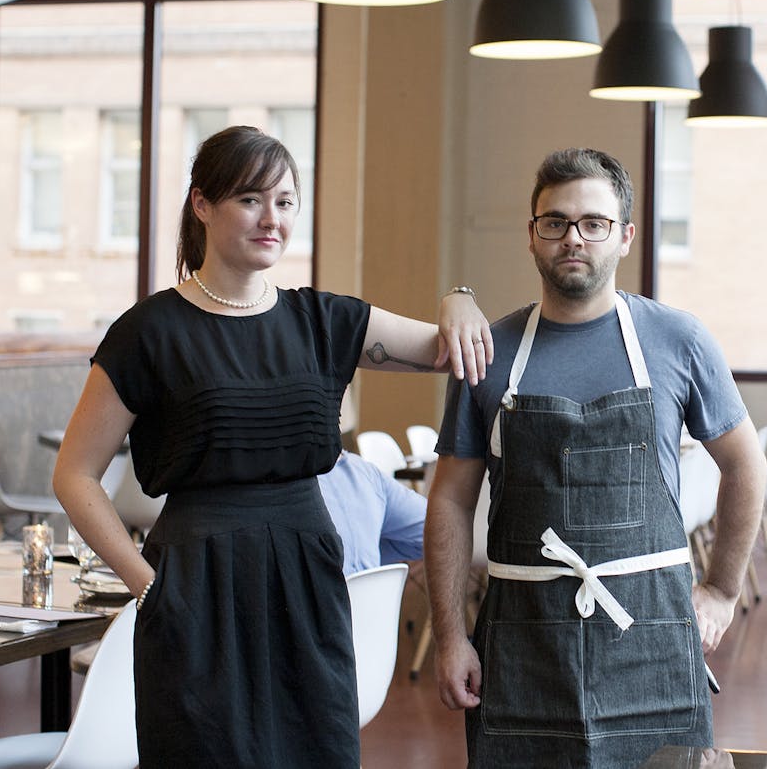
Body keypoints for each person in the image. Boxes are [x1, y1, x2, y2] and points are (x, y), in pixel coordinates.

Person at [51, 125, 493, 767]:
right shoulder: (149, 332)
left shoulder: (323, 320)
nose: (272, 219)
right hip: (194, 580)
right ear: (202, 204)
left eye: (285, 202)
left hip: (306, 577)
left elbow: (451, 348)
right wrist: (146, 584)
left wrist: (460, 298)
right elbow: (75, 474)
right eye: (251, 200)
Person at [424, 148, 766, 768]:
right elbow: (449, 499)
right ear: (532, 236)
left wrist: (720, 589)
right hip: (522, 642)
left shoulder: (677, 340)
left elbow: (746, 465)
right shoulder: (488, 352)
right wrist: (449, 635)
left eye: (593, 223)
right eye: (554, 222)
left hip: (653, 639)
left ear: (625, 235)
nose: (573, 238)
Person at [318, 449, 425, 575]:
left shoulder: (364, 473)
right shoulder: (364, 473)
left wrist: (364, 546)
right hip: (369, 591)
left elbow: (437, 533)